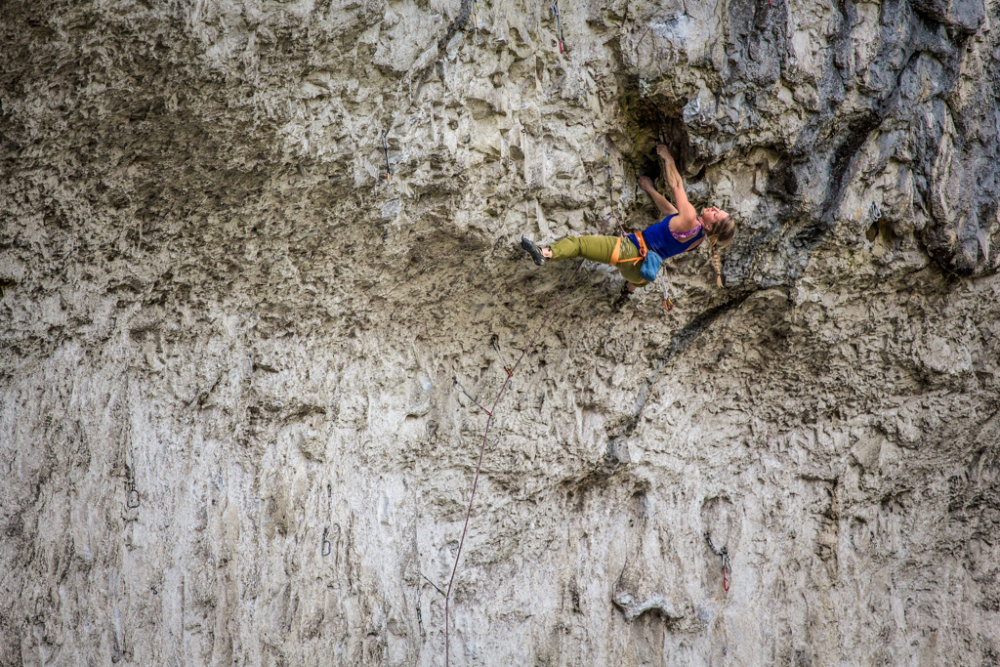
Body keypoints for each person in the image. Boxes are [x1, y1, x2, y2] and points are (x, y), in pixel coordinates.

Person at [520, 144, 735, 304]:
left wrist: (668, 157)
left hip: (628, 251)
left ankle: (544, 253)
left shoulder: (689, 216)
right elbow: (669, 211)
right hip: (641, 275)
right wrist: (650, 190)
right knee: (641, 274)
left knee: (579, 244)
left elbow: (676, 184)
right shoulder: (697, 238)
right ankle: (626, 293)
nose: (714, 209)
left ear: (710, 227)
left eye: (716, 215)